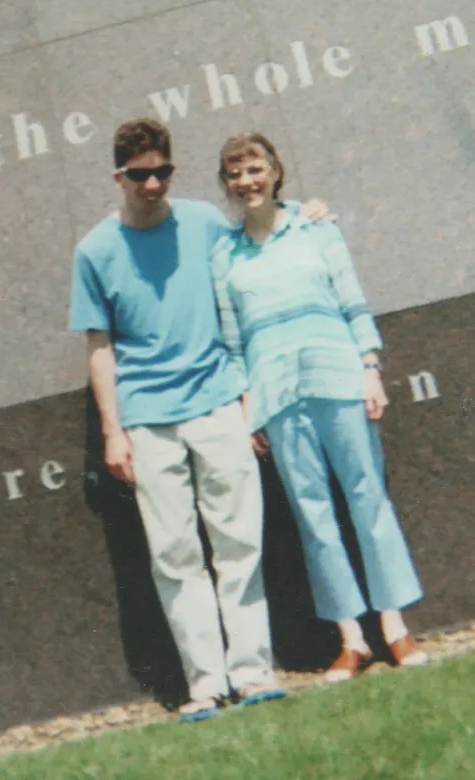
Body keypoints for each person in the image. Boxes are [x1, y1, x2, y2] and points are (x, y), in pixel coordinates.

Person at [69, 118, 328, 721]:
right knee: (175, 556)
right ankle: (206, 684)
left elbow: (260, 245)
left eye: (162, 171)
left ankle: (254, 670)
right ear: (119, 177)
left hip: (217, 405)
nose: (154, 184)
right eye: (141, 175)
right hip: (147, 422)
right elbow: (99, 347)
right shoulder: (94, 251)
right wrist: (113, 431)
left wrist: (311, 218)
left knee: (238, 544)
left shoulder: (207, 224)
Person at [212, 132, 428, 683]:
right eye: (236, 173)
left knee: (367, 497)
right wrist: (247, 408)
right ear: (227, 185)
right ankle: (351, 640)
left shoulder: (317, 229)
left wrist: (370, 367)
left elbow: (352, 301)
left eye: (255, 168)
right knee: (313, 515)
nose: (247, 181)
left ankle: (395, 629)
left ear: (275, 171)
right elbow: (234, 345)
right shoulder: (224, 257)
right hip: (277, 396)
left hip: (338, 378)